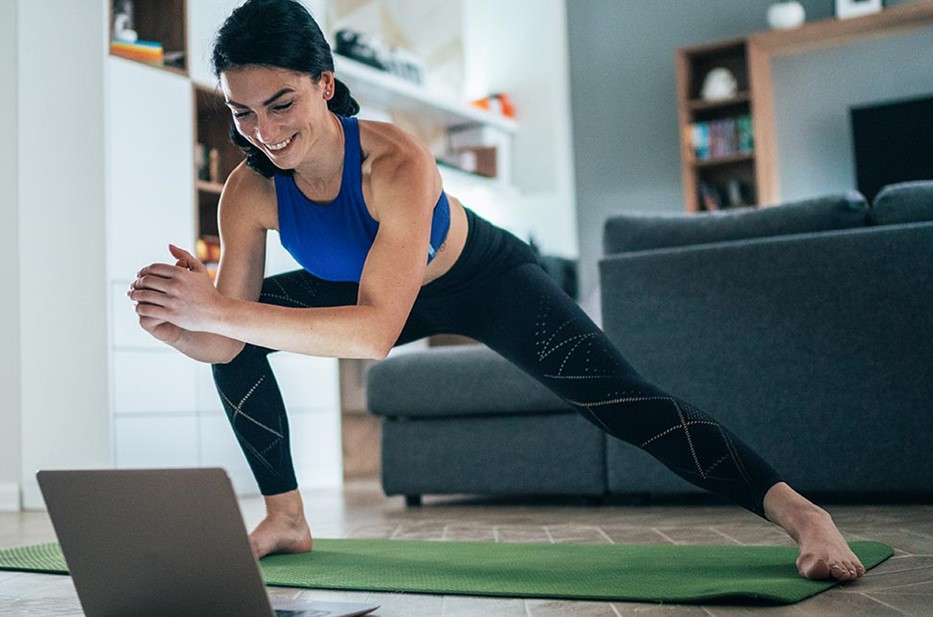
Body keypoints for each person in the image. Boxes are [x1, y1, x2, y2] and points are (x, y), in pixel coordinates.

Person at [128, 0, 864, 581]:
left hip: (479, 280)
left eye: (280, 103)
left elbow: (375, 333)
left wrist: (221, 310)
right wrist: (186, 323)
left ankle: (803, 515)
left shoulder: (395, 162)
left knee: (619, 397)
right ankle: (285, 516)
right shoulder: (246, 192)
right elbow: (229, 338)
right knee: (238, 346)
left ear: (324, 84)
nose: (261, 130)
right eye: (240, 111)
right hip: (359, 289)